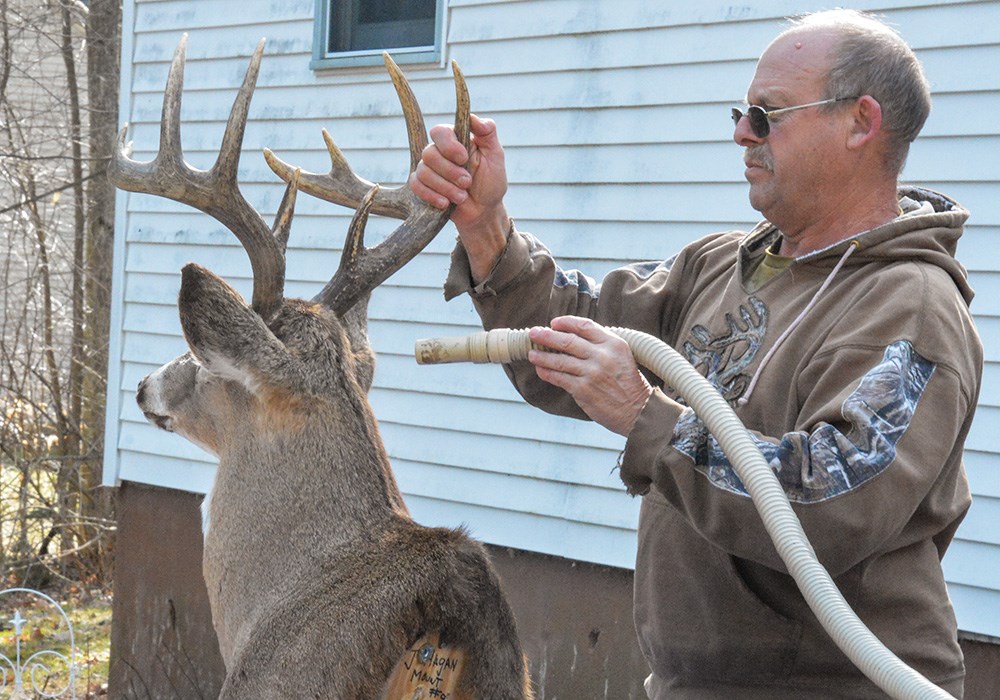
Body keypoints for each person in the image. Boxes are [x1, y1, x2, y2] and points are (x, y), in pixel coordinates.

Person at [410, 9, 981, 698]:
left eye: (768, 115)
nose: (742, 133)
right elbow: (573, 337)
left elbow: (834, 500)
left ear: (861, 123)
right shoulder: (721, 264)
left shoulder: (910, 304)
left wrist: (645, 416)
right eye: (742, 112)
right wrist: (486, 229)